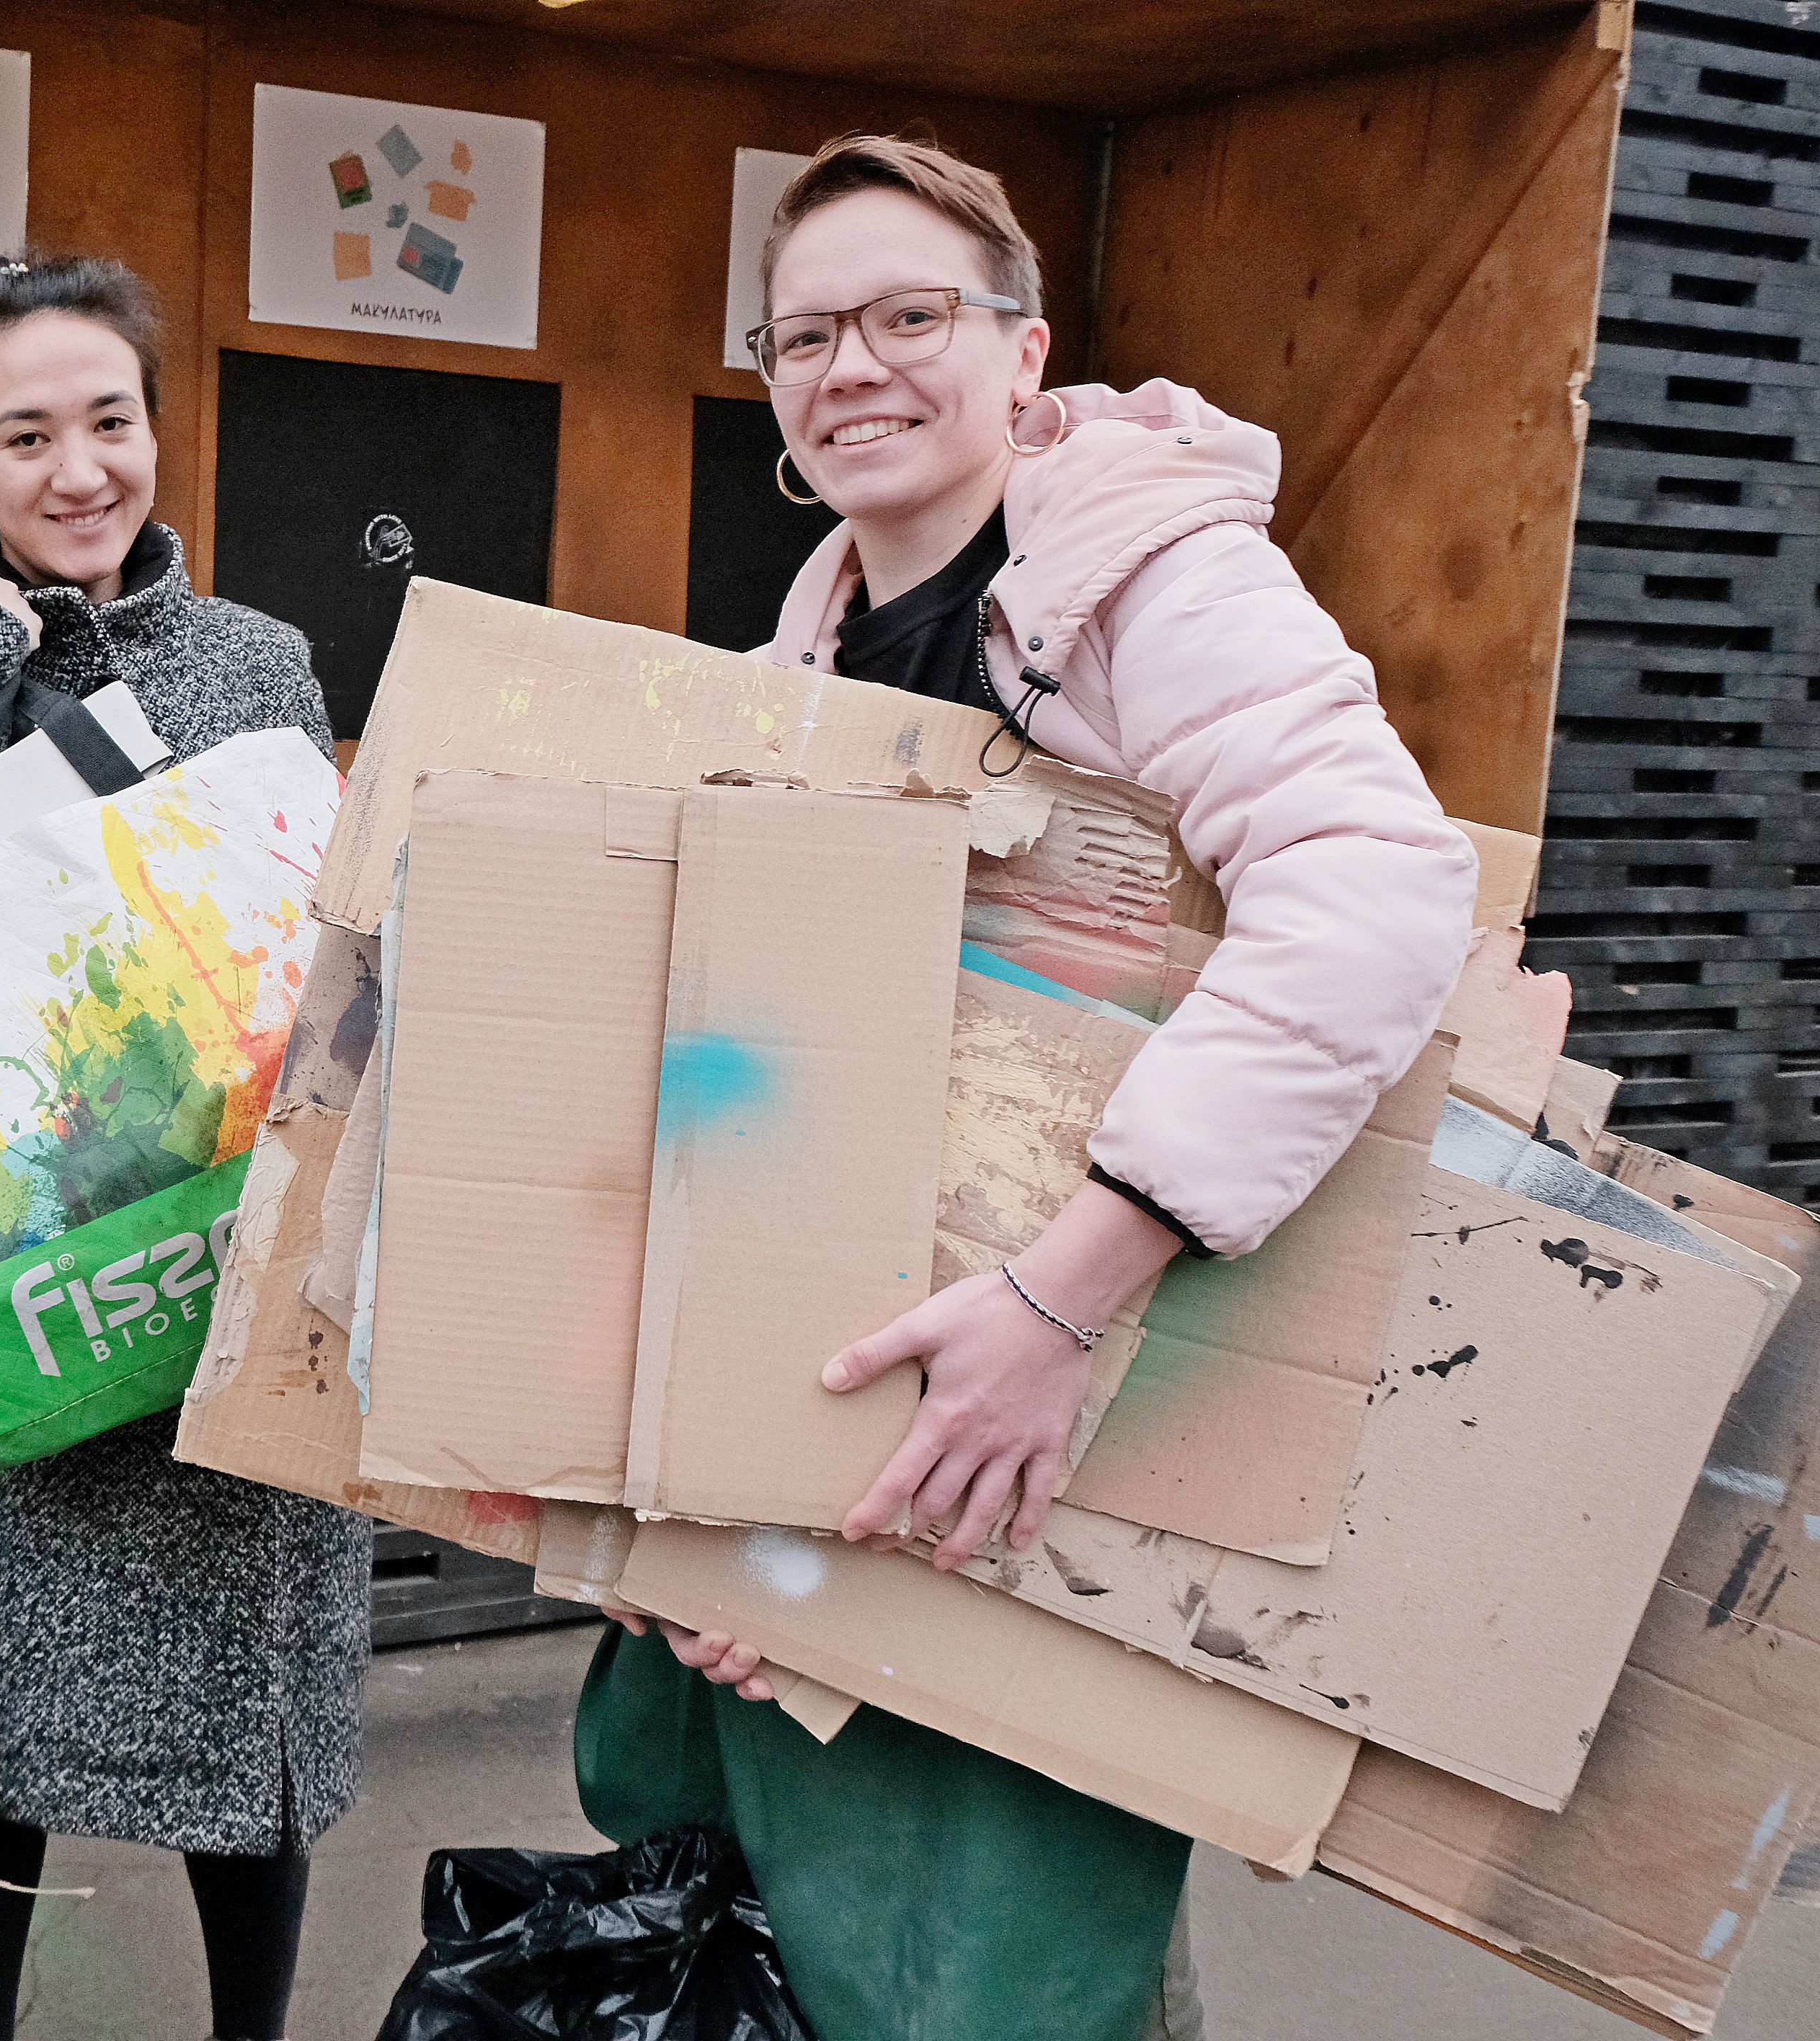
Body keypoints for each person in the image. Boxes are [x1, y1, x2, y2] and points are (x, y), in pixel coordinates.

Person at [580, 135, 1478, 2041]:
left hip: (1087, 1406)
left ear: (1024, 349)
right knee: (834, 1963)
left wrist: (1068, 1293)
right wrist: (716, 1508)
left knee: (1016, 1972)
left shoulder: (1155, 583)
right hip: (880, 1454)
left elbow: (1376, 898)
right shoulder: (806, 643)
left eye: (911, 315)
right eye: (808, 333)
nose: (855, 366)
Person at [0, 252, 366, 2041]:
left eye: (108, 421)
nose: (78, 471)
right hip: (33, 1268)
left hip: (226, 1263)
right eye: (23, 435)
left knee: (250, 1734)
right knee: (6, 1730)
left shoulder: (259, 659)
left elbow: (322, 942)